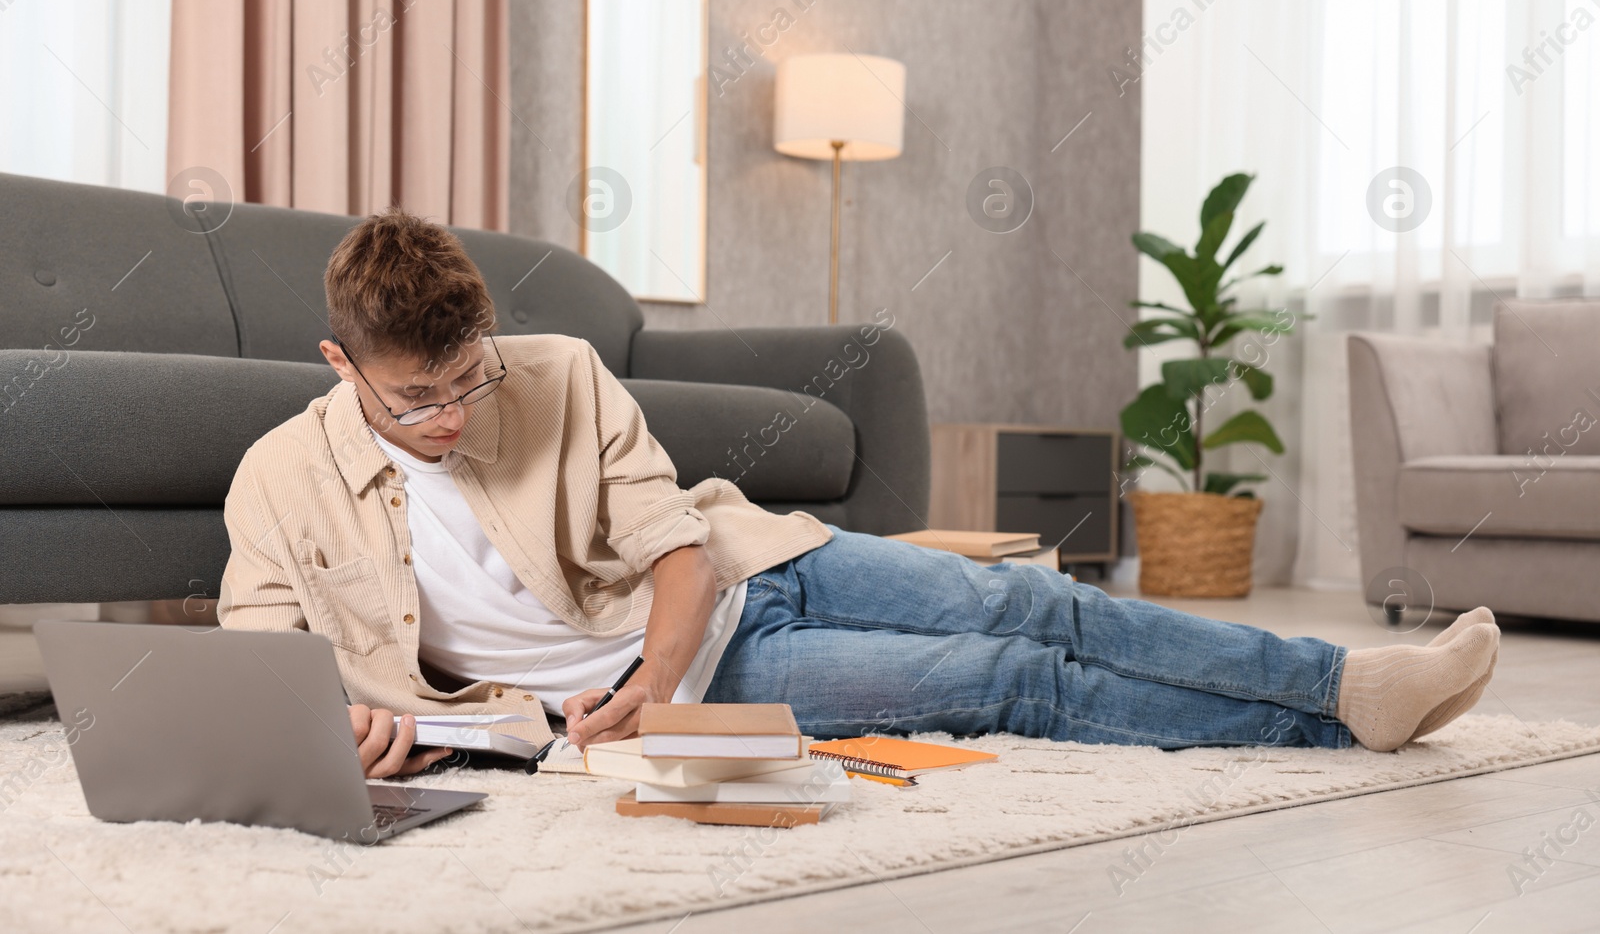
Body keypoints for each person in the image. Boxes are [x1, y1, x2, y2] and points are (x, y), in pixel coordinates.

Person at [218, 210, 1501, 780]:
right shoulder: (279, 482)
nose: (453, 414)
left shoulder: (556, 372)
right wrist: (343, 727)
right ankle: (1337, 732)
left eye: (468, 377)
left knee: (1028, 599)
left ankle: (1342, 679)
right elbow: (260, 669)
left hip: (746, 579)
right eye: (417, 399)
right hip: (705, 699)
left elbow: (675, 541)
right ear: (341, 365)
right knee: (1010, 683)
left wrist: (652, 679)